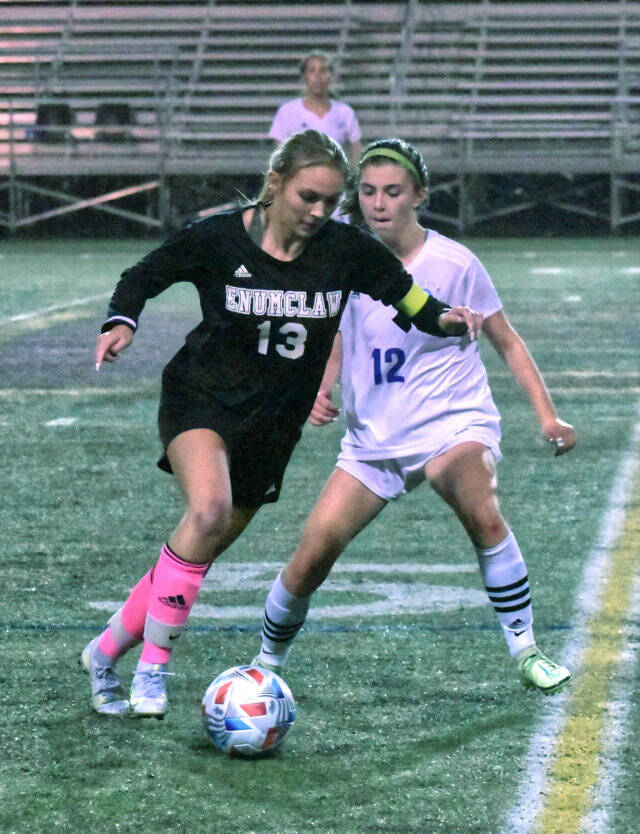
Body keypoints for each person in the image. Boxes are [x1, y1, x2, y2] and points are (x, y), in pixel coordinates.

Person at [81, 130, 481, 718]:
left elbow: (411, 301)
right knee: (208, 512)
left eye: (330, 201)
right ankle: (152, 675)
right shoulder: (219, 238)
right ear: (275, 185)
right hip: (202, 400)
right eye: (307, 197)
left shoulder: (346, 250)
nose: (320, 212)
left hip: (272, 425)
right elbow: (144, 275)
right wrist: (122, 321)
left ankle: (102, 653)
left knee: (197, 548)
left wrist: (449, 321)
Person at [252, 138, 576, 696]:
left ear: (418, 196)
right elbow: (336, 336)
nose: (378, 203)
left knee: (481, 508)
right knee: (312, 554)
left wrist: (548, 417)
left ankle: (526, 649)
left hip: (453, 421)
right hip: (373, 437)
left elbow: (506, 340)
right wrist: (322, 389)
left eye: (392, 192)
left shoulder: (453, 263)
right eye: (369, 191)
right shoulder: (344, 258)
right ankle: (263, 666)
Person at [269, 52, 361, 166]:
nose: (317, 77)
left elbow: (356, 148)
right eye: (312, 71)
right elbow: (280, 153)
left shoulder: (345, 112)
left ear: (330, 76)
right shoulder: (287, 112)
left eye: (323, 71)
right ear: (304, 76)